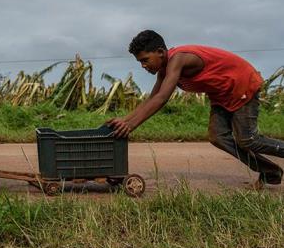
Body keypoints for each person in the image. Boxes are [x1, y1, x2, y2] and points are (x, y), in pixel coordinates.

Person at [108, 30, 283, 189]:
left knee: (248, 140)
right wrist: (125, 120)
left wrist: (131, 125)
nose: (143, 66)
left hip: (241, 84)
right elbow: (152, 98)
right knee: (218, 137)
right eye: (140, 62)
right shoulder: (164, 70)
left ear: (161, 52)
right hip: (221, 95)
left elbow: (161, 99)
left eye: (145, 60)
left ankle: (269, 171)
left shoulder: (179, 59)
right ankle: (270, 171)